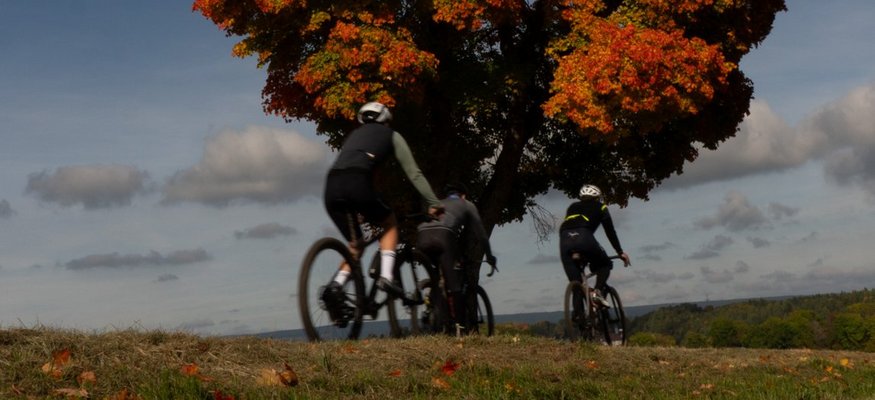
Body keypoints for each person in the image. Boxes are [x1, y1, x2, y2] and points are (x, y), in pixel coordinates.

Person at [321, 102, 442, 320]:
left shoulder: (354, 136)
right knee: (389, 223)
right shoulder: (391, 135)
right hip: (357, 183)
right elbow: (414, 173)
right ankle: (386, 277)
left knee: (356, 246)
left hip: (331, 187)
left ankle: (336, 286)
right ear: (386, 119)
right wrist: (434, 202)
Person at [416, 183, 497, 332]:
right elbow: (481, 235)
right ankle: (459, 328)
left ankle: (432, 300)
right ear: (463, 195)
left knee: (439, 276)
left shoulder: (438, 203)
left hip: (422, 236)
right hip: (444, 236)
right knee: (455, 286)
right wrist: (490, 256)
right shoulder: (467, 204)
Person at [559, 184, 630, 310]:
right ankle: (597, 292)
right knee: (605, 264)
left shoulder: (572, 206)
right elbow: (610, 231)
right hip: (584, 238)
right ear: (597, 197)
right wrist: (620, 251)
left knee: (576, 284)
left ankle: (578, 319)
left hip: (565, 239)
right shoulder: (601, 207)